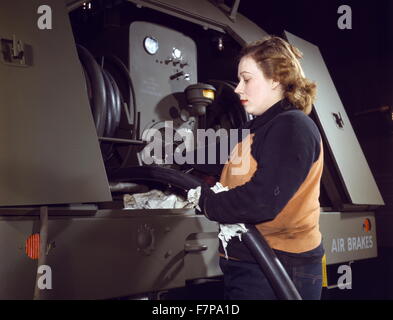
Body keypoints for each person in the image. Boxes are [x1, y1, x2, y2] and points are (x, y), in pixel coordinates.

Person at [196, 36, 325, 300]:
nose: (237, 89)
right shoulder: (259, 128)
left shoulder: (292, 126)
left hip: (279, 266)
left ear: (276, 79)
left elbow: (263, 200)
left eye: (247, 79)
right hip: (253, 262)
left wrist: (206, 202)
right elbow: (220, 159)